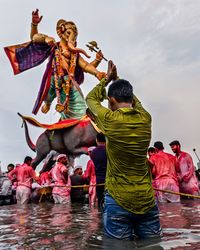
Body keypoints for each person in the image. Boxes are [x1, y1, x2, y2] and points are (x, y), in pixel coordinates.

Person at [85, 60, 161, 240]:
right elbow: (136, 102)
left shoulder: (110, 120)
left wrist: (107, 79)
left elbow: (90, 99)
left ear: (111, 101)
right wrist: (118, 81)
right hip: (147, 200)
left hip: (118, 201)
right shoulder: (145, 118)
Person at [4, 9, 106, 120]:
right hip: (54, 77)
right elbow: (34, 38)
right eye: (68, 33)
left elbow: (85, 66)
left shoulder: (75, 54)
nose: (71, 38)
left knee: (80, 105)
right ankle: (48, 103)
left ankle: (78, 120)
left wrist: (97, 73)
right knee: (49, 93)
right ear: (60, 32)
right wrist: (35, 26)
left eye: (74, 36)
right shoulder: (53, 45)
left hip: (69, 82)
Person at [90, 133, 107, 208]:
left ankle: (101, 217)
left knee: (100, 200)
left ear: (96, 140)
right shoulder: (109, 151)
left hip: (98, 179)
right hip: (109, 179)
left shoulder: (93, 152)